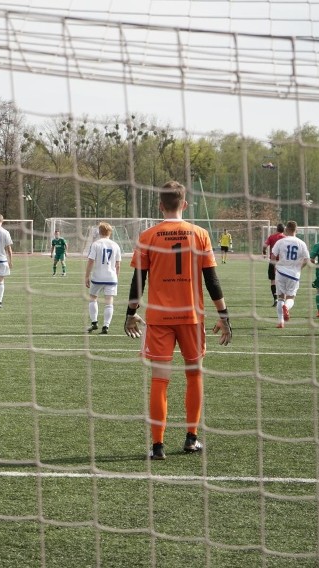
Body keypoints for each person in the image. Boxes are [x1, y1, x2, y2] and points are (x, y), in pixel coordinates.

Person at [124, 181, 232, 461]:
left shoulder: (147, 235)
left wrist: (129, 313)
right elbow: (212, 280)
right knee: (194, 375)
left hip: (159, 318)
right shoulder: (200, 234)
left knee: (160, 380)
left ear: (160, 205)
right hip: (191, 317)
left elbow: (138, 280)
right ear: (184, 204)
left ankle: (158, 446)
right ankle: (191, 438)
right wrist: (224, 315)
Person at [270, 221, 310, 328]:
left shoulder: (281, 242)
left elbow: (273, 257)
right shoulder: (301, 243)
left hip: (281, 272)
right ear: (296, 230)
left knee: (280, 298)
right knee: (291, 298)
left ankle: (280, 322)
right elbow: (307, 260)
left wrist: (275, 268)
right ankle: (287, 307)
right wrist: (299, 268)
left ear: (286, 229)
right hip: (294, 274)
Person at [85, 222, 122, 334]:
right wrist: (116, 277)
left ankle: (94, 322)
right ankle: (106, 326)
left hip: (97, 277)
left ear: (99, 232)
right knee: (109, 302)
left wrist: (87, 276)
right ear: (110, 232)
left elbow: (91, 261)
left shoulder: (96, 244)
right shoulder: (115, 245)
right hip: (111, 277)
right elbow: (118, 264)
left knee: (93, 298)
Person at [262, 223, 286, 306]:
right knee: (283, 281)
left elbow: (265, 246)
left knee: (273, 281)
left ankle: (275, 299)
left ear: (277, 229)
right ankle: (283, 300)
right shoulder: (285, 238)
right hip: (283, 262)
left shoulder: (271, 237)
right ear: (284, 230)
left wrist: (264, 252)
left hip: (273, 261)